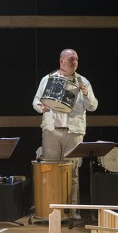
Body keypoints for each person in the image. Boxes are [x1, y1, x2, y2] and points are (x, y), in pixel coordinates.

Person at [32, 49, 98, 220]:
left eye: (76, 59)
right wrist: (42, 107)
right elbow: (36, 100)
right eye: (71, 59)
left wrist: (86, 93)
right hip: (52, 130)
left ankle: (72, 211)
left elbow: (93, 106)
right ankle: (52, 211)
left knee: (73, 172)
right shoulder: (48, 79)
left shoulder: (83, 81)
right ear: (61, 61)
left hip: (74, 132)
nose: (74, 62)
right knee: (50, 171)